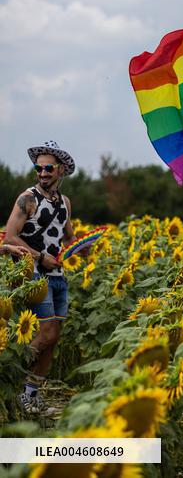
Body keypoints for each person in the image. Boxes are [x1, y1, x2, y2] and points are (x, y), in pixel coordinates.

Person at [4, 141, 85, 414]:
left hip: (59, 274)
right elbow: (10, 237)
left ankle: (31, 394)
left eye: (48, 167)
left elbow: (69, 236)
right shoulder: (27, 198)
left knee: (54, 336)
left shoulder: (65, 203)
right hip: (35, 274)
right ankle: (13, 380)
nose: (42, 173)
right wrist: (39, 257)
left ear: (60, 170)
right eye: (38, 168)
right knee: (46, 332)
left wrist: (81, 247)